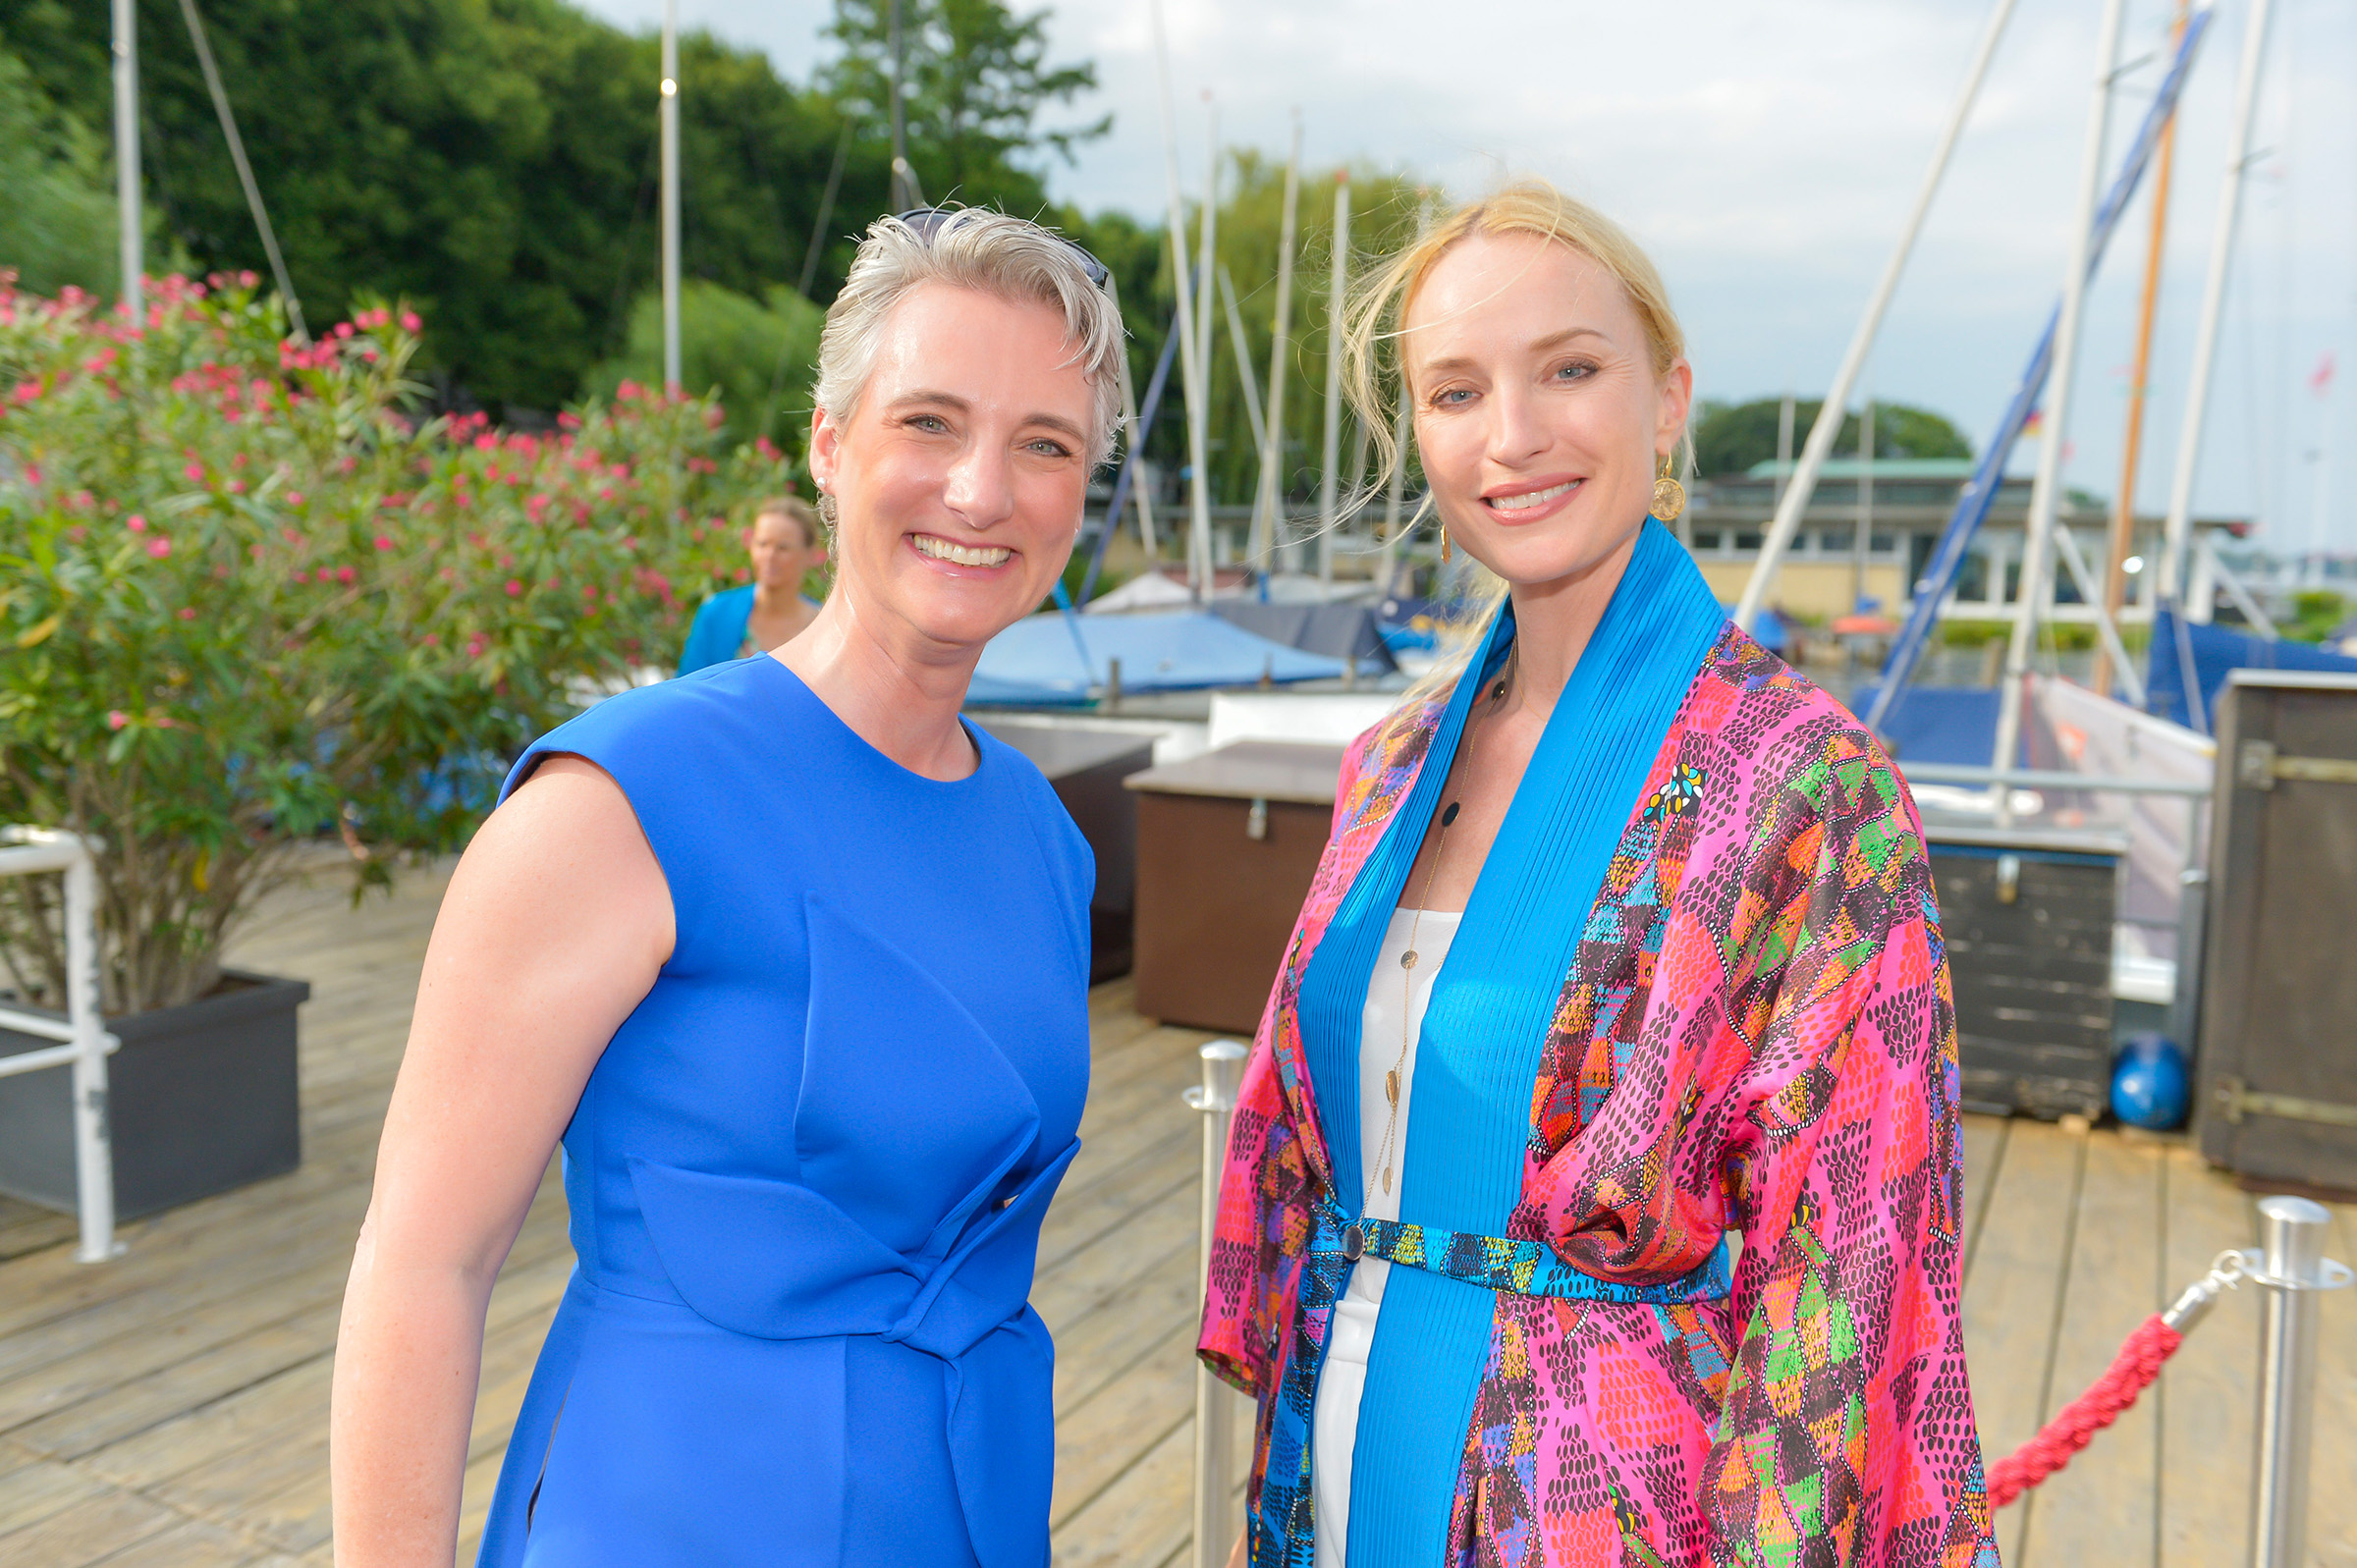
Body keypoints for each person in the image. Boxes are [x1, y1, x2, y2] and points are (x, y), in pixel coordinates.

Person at [1198, 182, 1996, 1568]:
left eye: (1568, 369)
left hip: (1603, 1501)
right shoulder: (1390, 767)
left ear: (1668, 399)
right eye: (1456, 391)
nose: (1512, 435)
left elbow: (1854, 1265)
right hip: (1339, 1441)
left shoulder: (1807, 787)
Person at [330, 205, 1126, 1568]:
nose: (981, 490)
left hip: (968, 1510)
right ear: (829, 445)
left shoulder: (1044, 839)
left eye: (1043, 444)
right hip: (674, 1511)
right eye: (929, 422)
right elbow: (423, 1265)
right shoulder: (618, 803)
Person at [677, 495, 829, 675]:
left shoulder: (823, 627)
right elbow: (687, 683)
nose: (769, 556)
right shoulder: (717, 613)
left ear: (810, 554)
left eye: (783, 547)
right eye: (762, 544)